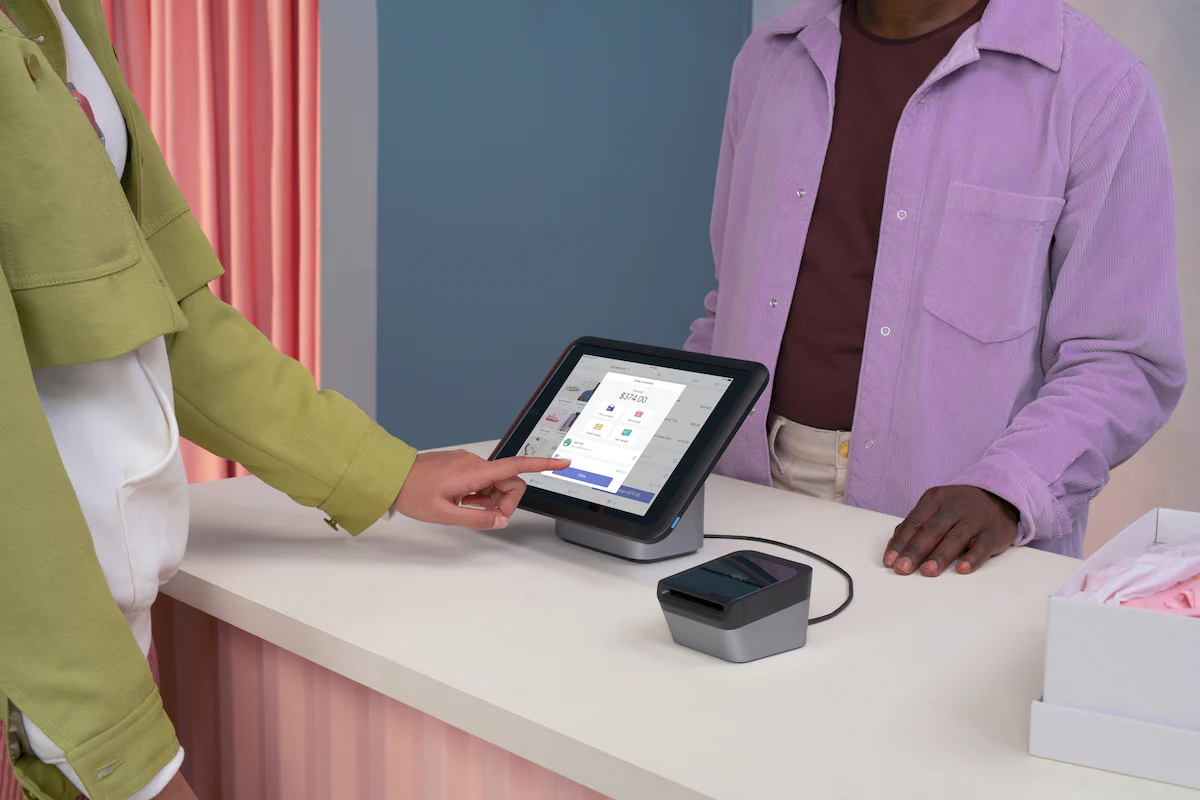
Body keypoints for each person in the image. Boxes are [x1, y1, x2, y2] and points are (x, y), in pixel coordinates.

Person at [0, 2, 566, 799]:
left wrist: (388, 473)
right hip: (47, 678)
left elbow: (168, 313)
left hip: (91, 653)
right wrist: (120, 759)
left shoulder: (61, 17)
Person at [685, 0, 1186, 577]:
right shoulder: (769, 59)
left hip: (956, 543)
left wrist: (1007, 490)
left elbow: (1122, 361)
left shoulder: (1096, 84)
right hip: (741, 495)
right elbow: (733, 302)